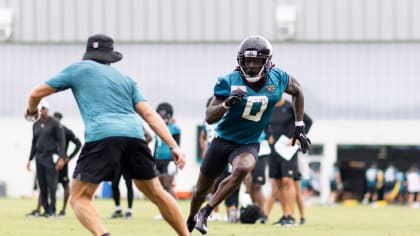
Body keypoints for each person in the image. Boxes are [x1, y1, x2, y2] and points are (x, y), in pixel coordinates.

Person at [24, 34, 189, 236]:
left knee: (79, 197)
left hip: (103, 135)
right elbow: (149, 114)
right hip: (135, 136)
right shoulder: (126, 80)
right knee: (157, 193)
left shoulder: (78, 69)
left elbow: (35, 94)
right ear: (111, 58)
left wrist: (32, 112)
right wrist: (174, 146)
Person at [186, 35, 311, 235]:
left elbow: (298, 91)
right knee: (201, 189)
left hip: (248, 143)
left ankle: (206, 212)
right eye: (247, 61)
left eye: (256, 61)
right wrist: (226, 103)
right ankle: (191, 217)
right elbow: (209, 117)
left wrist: (299, 126)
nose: (252, 66)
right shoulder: (229, 80)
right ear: (240, 61)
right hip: (223, 140)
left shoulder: (278, 77)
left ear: (267, 62)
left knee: (243, 168)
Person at [266, 96, 313, 226]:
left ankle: (292, 216)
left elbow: (308, 121)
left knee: (288, 180)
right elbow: (263, 123)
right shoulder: (268, 108)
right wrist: (268, 136)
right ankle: (285, 215)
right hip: (273, 150)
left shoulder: (290, 107)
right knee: (278, 182)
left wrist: (296, 137)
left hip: (288, 150)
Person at [26, 100, 66, 217]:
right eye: (40, 109)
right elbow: (34, 143)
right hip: (39, 158)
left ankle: (53, 210)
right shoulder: (36, 124)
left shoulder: (54, 123)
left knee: (52, 185)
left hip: (51, 157)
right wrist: (30, 159)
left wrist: (61, 157)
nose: (41, 110)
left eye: (43, 108)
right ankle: (46, 209)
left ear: (47, 109)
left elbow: (61, 140)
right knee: (42, 185)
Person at [109, 128, 152, 220]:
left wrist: (138, 147)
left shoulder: (133, 123)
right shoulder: (116, 125)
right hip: (118, 159)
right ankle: (118, 210)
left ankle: (129, 211)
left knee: (128, 184)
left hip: (129, 160)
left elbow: (149, 137)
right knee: (114, 183)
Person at [53, 112, 82, 216]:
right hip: (51, 161)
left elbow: (78, 144)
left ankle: (63, 209)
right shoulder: (49, 130)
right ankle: (51, 209)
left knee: (65, 184)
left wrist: (69, 157)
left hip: (62, 162)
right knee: (51, 185)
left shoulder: (66, 131)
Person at [154, 102, 181, 199]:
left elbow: (177, 146)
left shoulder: (174, 128)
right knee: (160, 188)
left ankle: (175, 211)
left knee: (167, 185)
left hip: (169, 159)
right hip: (158, 159)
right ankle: (166, 213)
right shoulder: (157, 127)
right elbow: (156, 145)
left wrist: (174, 161)